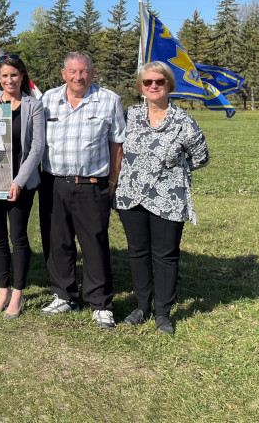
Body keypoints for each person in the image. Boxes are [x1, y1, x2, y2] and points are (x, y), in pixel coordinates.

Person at [114, 61, 209, 334]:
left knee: (165, 256)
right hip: (131, 196)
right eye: (148, 82)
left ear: (169, 84)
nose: (154, 86)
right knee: (138, 253)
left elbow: (201, 157)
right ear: (141, 86)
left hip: (169, 198)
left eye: (159, 81)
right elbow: (117, 148)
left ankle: (163, 313)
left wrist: (175, 171)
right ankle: (142, 306)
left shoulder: (183, 120)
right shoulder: (130, 115)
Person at [38, 52, 125, 329]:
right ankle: (63, 295)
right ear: (63, 74)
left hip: (92, 184)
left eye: (84, 71)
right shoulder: (48, 100)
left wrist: (113, 182)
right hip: (54, 183)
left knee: (94, 245)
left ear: (92, 72)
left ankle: (100, 303)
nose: (79, 77)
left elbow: (117, 144)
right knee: (57, 242)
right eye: (73, 72)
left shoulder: (109, 100)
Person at [0, 55, 45, 318]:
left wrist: (18, 182)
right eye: (5, 76)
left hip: (22, 183)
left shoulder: (34, 106)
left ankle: (17, 294)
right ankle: (3, 291)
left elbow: (37, 147)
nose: (10, 80)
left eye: (14, 75)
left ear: (22, 76)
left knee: (17, 236)